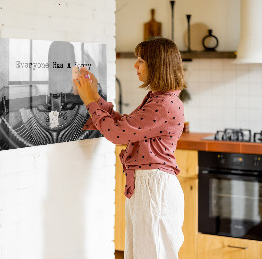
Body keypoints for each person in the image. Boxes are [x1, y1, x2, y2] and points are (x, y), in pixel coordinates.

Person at [74, 37, 186, 259]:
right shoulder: (159, 99)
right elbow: (125, 126)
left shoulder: (163, 104)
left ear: (157, 65)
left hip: (154, 188)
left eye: (141, 60)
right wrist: (95, 97)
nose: (135, 65)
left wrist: (89, 101)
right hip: (149, 186)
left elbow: (117, 134)